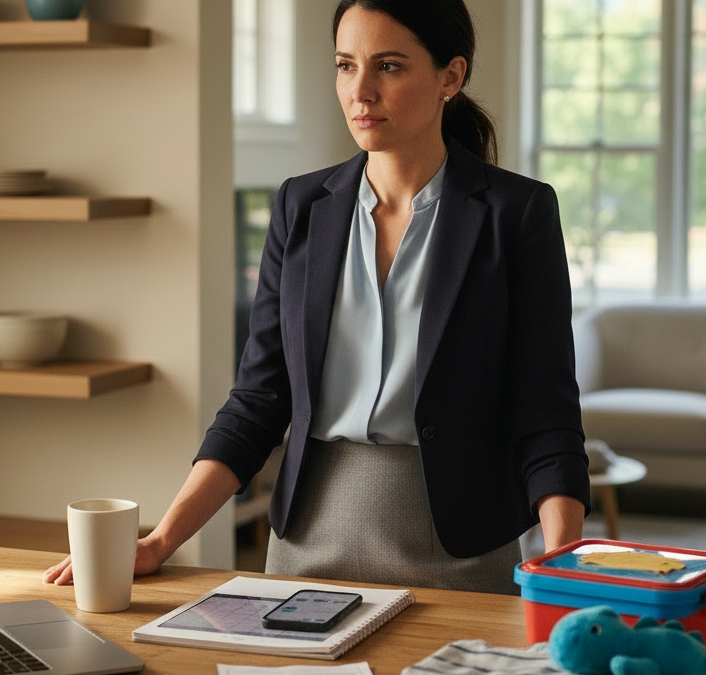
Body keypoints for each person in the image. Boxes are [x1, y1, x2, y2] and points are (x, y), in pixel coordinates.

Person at [45, 0, 589, 594]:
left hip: (463, 552)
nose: (361, 91)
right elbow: (257, 400)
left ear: (450, 77)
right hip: (306, 545)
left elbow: (546, 415)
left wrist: (563, 572)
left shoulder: (517, 214)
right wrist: (159, 541)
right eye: (345, 65)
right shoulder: (300, 207)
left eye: (388, 66)